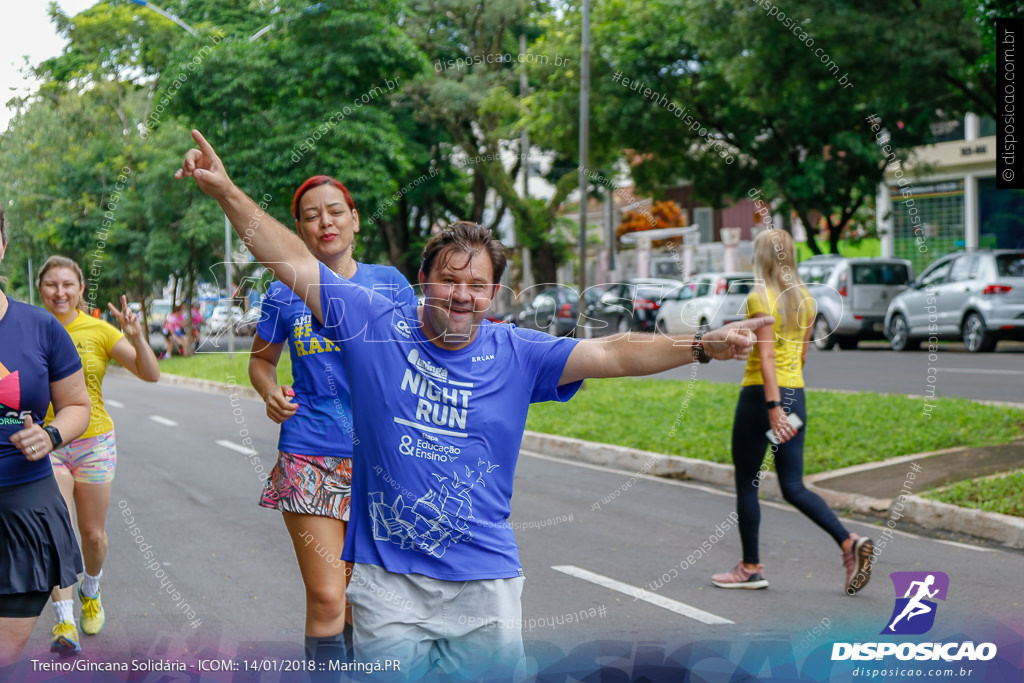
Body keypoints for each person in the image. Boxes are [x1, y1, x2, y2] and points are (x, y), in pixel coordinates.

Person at [176, 129, 769, 680]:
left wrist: (700, 344)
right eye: (449, 280)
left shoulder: (518, 352)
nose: (462, 296)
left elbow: (612, 352)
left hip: (484, 582)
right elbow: (292, 261)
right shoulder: (374, 323)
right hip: (388, 585)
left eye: (478, 285)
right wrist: (227, 191)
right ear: (422, 279)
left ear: (495, 293)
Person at [249, 175, 416, 666]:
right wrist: (269, 391)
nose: (325, 222)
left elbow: (418, 361)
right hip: (310, 450)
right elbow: (261, 361)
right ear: (298, 229)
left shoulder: (389, 284)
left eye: (336, 211)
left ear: (355, 219)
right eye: (311, 215)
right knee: (328, 597)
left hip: (382, 461)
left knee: (365, 602)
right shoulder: (284, 293)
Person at [711, 228, 873, 594]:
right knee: (794, 486)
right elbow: (799, 356)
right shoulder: (806, 300)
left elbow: (765, 356)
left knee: (747, 483)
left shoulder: (760, 297)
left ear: (761, 258)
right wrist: (785, 402)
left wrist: (772, 408)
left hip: (759, 397)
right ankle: (848, 542)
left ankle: (750, 568)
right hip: (796, 394)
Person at [36, 256, 161, 654]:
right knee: (57, 530)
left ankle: (91, 587)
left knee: (92, 535)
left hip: (94, 442)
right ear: (41, 289)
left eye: (67, 285)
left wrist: (137, 335)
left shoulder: (99, 331)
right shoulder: (30, 329)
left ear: (80, 289)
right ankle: (65, 621)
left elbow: (150, 373)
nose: (60, 292)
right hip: (46, 442)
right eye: (52, 285)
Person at [0, 210, 90, 672]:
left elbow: (77, 405)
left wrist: (51, 435)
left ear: (1, 245)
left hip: (25, 506)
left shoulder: (40, 327)